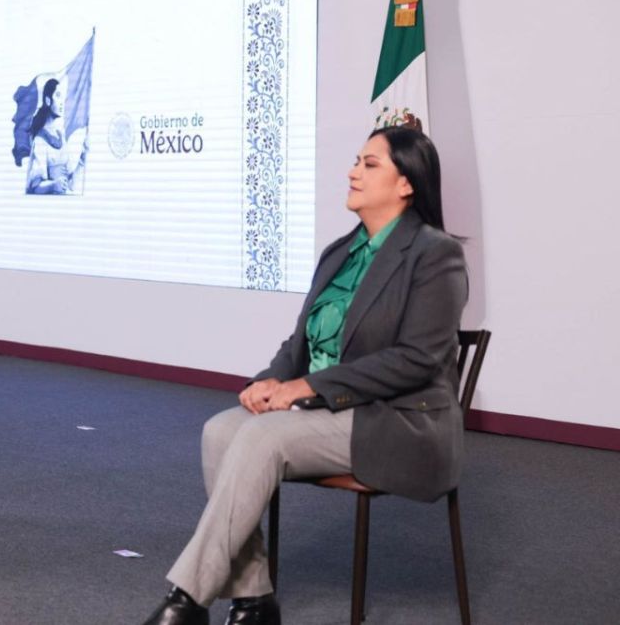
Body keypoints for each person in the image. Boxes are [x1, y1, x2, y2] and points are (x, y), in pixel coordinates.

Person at [142, 126, 468, 625]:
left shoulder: (435, 253)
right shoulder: (340, 252)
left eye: (370, 163)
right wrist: (266, 382)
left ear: (406, 183)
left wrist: (308, 387)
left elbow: (417, 360)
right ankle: (253, 600)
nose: (353, 171)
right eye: (356, 160)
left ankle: (187, 598)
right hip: (324, 411)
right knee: (221, 430)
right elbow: (300, 344)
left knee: (262, 439)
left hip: (396, 422)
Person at [26, 78, 88, 194]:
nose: (62, 102)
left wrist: (82, 159)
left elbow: (71, 185)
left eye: (63, 98)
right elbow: (35, 187)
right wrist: (53, 185)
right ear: (48, 100)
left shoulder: (61, 137)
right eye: (58, 96)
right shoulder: (40, 140)